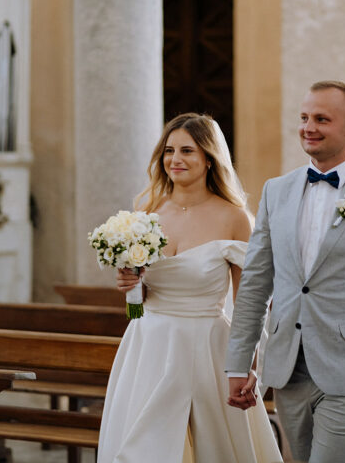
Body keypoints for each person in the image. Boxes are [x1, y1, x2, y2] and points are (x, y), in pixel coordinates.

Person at [225, 80, 345, 463]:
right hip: (286, 369)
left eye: (321, 119)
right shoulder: (275, 191)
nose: (308, 127)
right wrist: (239, 362)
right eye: (303, 117)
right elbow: (254, 286)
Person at [97, 113, 283, 463]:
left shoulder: (234, 217)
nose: (175, 159)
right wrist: (130, 287)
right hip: (148, 344)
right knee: (143, 449)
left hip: (208, 348)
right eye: (168, 150)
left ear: (209, 159)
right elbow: (136, 303)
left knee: (212, 447)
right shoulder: (146, 210)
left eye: (187, 151)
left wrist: (248, 365)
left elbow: (251, 303)